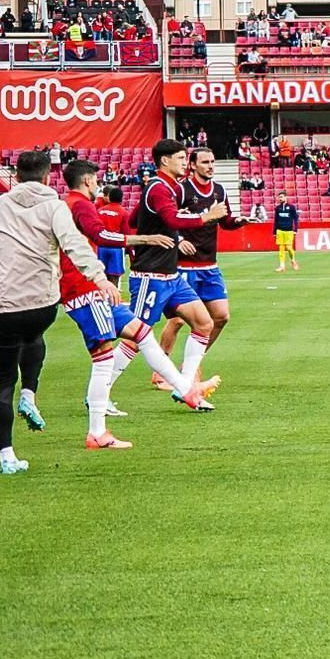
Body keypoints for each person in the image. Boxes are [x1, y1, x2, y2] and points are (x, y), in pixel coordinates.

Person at [0, 152, 120, 473]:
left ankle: (7, 455)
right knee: (34, 335)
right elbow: (74, 246)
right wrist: (100, 278)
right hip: (41, 303)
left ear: (15, 173)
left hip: (1, 305)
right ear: (46, 177)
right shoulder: (54, 206)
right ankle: (30, 392)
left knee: (1, 381)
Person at [60, 159, 208, 446]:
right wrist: (146, 238)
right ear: (88, 180)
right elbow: (100, 235)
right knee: (103, 356)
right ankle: (97, 432)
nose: (98, 184)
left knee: (141, 333)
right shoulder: (79, 205)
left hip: (93, 283)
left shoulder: (70, 204)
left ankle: (185, 389)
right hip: (83, 288)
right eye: (95, 179)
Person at [128, 139, 229, 410]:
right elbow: (168, 220)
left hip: (171, 273)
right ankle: (99, 395)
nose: (186, 163)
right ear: (165, 161)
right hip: (151, 274)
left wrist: (163, 224)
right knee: (135, 337)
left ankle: (187, 386)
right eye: (182, 159)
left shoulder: (168, 187)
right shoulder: (159, 187)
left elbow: (135, 218)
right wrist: (205, 217)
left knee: (205, 323)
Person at [155, 148, 243, 393]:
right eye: (205, 162)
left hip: (209, 265)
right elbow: (167, 219)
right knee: (176, 321)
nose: (211, 166)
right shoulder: (182, 189)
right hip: (183, 265)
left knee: (221, 316)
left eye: (213, 161)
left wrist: (238, 222)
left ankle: (191, 365)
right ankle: (160, 371)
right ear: (192, 165)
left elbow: (225, 220)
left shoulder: (219, 190)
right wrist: (178, 238)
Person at [95, 187, 129, 289]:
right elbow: (126, 233)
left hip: (101, 247)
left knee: (101, 276)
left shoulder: (100, 211)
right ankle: (114, 301)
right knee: (114, 276)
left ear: (109, 197)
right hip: (116, 248)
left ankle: (102, 300)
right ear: (121, 198)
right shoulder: (123, 212)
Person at [273, 191, 300, 272]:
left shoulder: (291, 207)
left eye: (281, 197)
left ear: (285, 197)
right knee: (281, 247)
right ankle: (282, 266)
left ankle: (293, 260)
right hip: (280, 230)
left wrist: (295, 229)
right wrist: (274, 231)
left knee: (288, 248)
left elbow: (295, 219)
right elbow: (276, 220)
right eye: (279, 197)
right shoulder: (277, 208)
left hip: (289, 230)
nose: (280, 199)